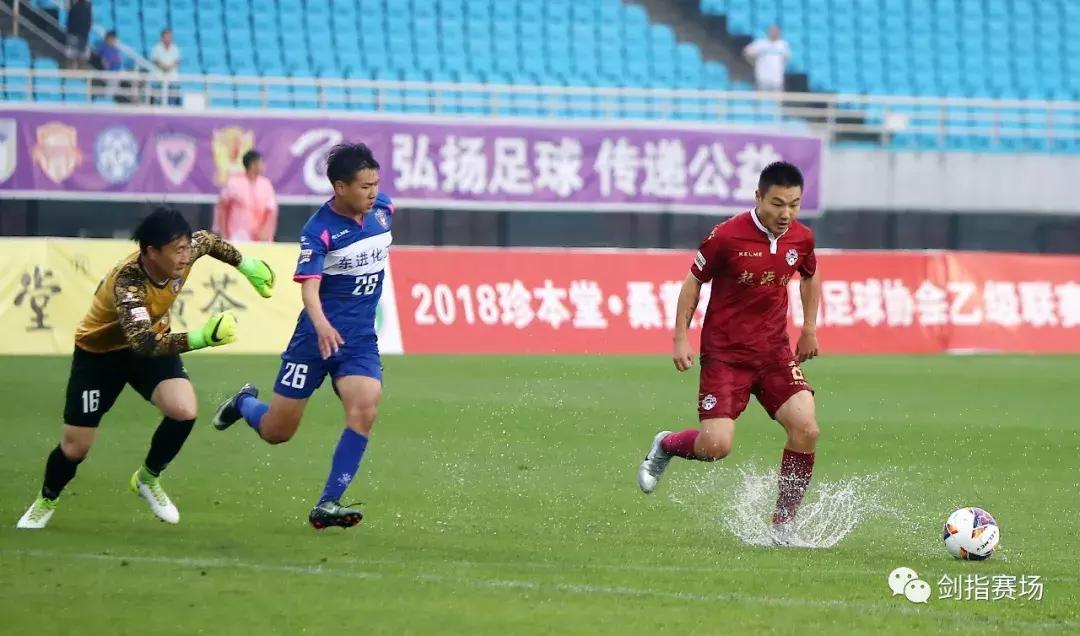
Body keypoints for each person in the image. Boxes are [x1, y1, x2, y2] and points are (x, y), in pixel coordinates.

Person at [15, 208, 276, 530]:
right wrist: (202, 338)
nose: (184, 256)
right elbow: (144, 343)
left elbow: (208, 242)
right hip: (100, 355)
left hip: (150, 343)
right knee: (76, 446)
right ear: (151, 252)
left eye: (185, 248)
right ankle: (47, 499)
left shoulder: (185, 252)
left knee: (184, 410)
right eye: (176, 250)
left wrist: (247, 266)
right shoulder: (128, 282)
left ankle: (147, 479)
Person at [636, 161, 822, 545]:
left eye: (794, 204)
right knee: (716, 446)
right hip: (726, 356)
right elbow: (693, 283)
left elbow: (809, 274)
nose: (786, 214)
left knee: (806, 428)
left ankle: (782, 527)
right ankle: (667, 444)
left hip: (774, 352)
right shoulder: (726, 237)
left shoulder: (801, 238)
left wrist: (808, 327)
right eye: (777, 203)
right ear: (758, 197)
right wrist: (679, 337)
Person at [213, 143, 391, 530]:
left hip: (358, 339)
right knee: (279, 432)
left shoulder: (383, 211)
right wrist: (324, 324)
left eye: (376, 183)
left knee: (366, 407)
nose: (373, 192)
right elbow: (309, 289)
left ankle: (328, 503)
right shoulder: (318, 230)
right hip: (314, 338)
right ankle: (244, 403)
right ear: (340, 187)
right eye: (365, 186)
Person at [214, 150, 279, 243]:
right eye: (261, 162)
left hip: (261, 239)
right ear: (253, 164)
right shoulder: (234, 183)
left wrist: (266, 230)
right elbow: (222, 209)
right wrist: (223, 233)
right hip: (238, 237)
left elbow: (271, 212)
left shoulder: (266, 184)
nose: (264, 165)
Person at [743, 24, 791, 92]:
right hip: (762, 78)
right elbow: (747, 52)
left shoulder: (783, 45)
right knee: (760, 99)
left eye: (776, 31)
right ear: (768, 32)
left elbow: (786, 58)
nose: (774, 33)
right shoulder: (760, 43)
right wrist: (754, 63)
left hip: (777, 79)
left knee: (777, 100)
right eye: (772, 31)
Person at [150, 27, 181, 105]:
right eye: (166, 36)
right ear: (162, 37)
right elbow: (155, 60)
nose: (168, 38)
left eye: (170, 36)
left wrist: (168, 68)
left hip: (172, 77)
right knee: (157, 96)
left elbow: (177, 61)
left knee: (173, 93)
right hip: (159, 76)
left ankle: (172, 108)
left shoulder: (175, 48)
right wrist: (163, 67)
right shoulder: (156, 48)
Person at [65, 0, 92, 70]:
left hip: (82, 36)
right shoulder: (73, 7)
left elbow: (89, 22)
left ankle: (80, 75)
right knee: (71, 57)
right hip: (75, 35)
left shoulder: (88, 7)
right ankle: (70, 73)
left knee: (82, 58)